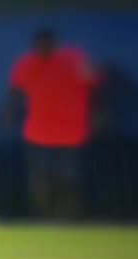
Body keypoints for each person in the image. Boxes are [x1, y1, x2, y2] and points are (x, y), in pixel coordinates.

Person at [7, 29, 99, 220]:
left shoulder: (75, 60)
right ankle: (44, 218)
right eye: (39, 46)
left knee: (69, 180)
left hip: (71, 134)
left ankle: (70, 219)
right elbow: (14, 92)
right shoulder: (26, 64)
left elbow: (95, 89)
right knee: (41, 181)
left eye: (47, 45)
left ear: (55, 44)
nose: (43, 50)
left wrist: (99, 114)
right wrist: (8, 114)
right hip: (38, 134)